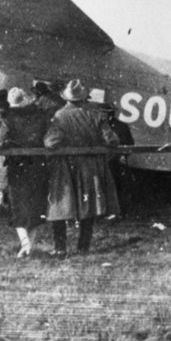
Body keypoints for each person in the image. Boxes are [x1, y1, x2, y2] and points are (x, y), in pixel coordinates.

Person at [43, 79, 120, 257]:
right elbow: (112, 140)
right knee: (89, 206)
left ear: (66, 98)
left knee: (61, 207)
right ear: (83, 98)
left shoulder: (60, 116)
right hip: (90, 167)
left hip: (66, 166)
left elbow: (50, 142)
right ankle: (83, 247)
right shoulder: (96, 115)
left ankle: (60, 247)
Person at [0, 87, 50, 257]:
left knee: (18, 207)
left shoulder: (7, 118)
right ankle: (30, 245)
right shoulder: (40, 117)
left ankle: (25, 244)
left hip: (17, 167)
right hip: (37, 165)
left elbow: (0, 141)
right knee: (36, 206)